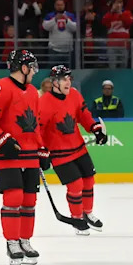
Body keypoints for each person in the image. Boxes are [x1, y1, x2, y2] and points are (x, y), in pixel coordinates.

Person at [0, 49, 44, 265]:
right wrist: (2, 140)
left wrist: (42, 149)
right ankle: (12, 242)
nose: (34, 72)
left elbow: (35, 124)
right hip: (5, 154)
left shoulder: (33, 92)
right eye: (31, 67)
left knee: (29, 200)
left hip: (29, 153)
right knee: (13, 198)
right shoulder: (0, 87)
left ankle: (25, 240)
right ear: (23, 68)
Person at [37, 65, 108, 234]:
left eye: (69, 78)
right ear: (54, 82)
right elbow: (37, 130)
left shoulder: (75, 95)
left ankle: (87, 213)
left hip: (78, 147)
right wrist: (41, 150)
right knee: (75, 185)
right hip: (59, 153)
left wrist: (95, 129)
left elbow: (84, 116)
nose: (68, 82)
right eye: (64, 79)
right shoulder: (44, 103)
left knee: (89, 180)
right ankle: (76, 218)